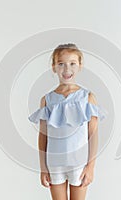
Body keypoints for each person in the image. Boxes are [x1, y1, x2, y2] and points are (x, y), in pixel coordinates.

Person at [28, 43, 107, 200]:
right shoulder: (47, 100)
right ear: (54, 67)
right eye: (61, 64)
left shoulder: (87, 97)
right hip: (54, 164)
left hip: (79, 163)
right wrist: (43, 168)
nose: (66, 69)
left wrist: (91, 167)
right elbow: (43, 137)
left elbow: (93, 134)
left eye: (72, 64)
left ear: (80, 65)